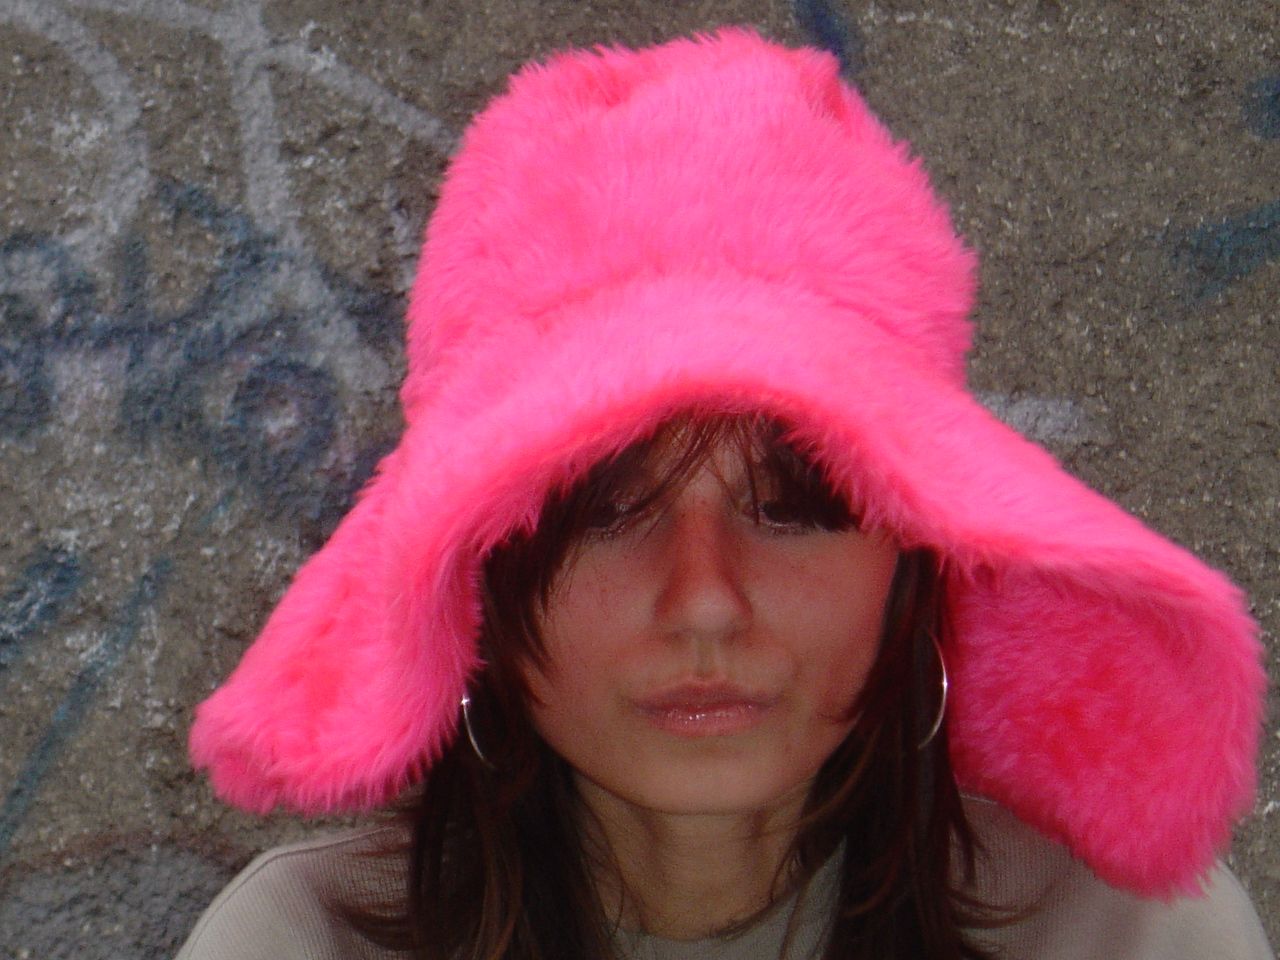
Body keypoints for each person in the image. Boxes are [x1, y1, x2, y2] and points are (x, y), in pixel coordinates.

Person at [175, 28, 1272, 960]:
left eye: (793, 507)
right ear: (478, 573)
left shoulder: (1133, 941)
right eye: (607, 511)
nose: (704, 600)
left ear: (913, 559)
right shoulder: (294, 944)